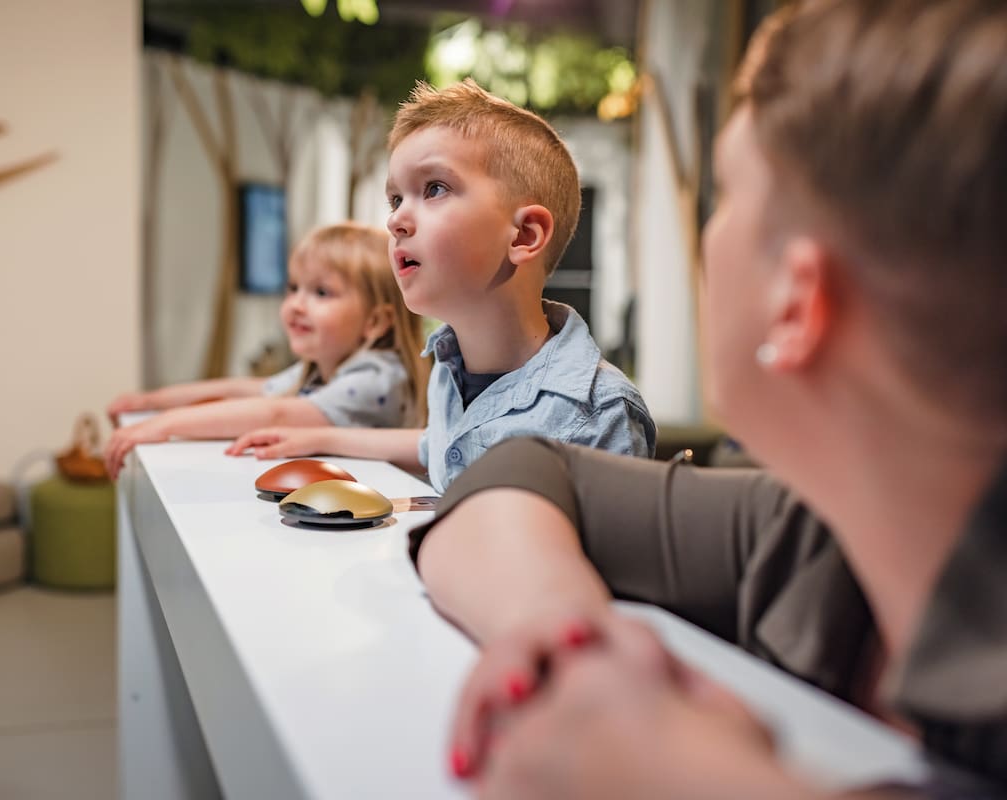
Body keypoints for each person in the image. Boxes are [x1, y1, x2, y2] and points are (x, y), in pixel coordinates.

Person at [408, 0, 1007, 795]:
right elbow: (521, 471)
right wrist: (568, 640)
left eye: (724, 196)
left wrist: (682, 769)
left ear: (797, 304)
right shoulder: (819, 534)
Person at [227, 80, 655, 491]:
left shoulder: (600, 414)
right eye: (396, 199)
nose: (395, 220)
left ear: (524, 236)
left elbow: (619, 560)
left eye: (434, 188)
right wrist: (320, 440)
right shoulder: (449, 374)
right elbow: (436, 445)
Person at [104, 222, 428, 480]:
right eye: (293, 287)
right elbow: (243, 388)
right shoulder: (323, 367)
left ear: (374, 321)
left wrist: (163, 425)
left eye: (321, 292)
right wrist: (151, 402)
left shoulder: (378, 376)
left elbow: (276, 413)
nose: (296, 305)